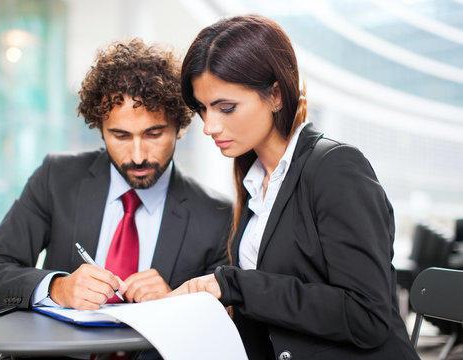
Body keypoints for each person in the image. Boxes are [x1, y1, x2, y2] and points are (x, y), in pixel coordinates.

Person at [170, 15, 420, 360]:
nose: (209, 126)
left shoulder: (336, 168)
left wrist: (234, 285)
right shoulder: (256, 181)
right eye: (202, 109)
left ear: (275, 94)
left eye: (226, 108)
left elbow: (367, 316)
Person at [0, 38, 232, 312]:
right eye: (120, 136)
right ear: (100, 129)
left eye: (153, 134)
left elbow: (225, 322)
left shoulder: (216, 214)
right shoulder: (56, 178)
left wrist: (176, 305)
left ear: (179, 125)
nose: (138, 155)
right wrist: (57, 288)